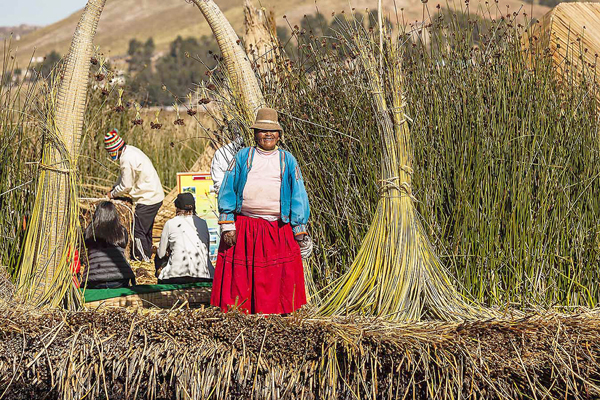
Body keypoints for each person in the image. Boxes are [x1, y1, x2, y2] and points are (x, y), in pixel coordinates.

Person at [211, 107, 313, 315]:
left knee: (278, 275)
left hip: (278, 227)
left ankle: (278, 314)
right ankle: (241, 315)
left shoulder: (287, 160)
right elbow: (228, 188)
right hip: (245, 226)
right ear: (255, 133)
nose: (268, 134)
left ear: (279, 135)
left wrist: (300, 230)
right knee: (242, 276)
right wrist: (227, 223)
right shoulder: (243, 156)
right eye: (262, 130)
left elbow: (298, 195)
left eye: (273, 131)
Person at [105, 129, 164, 261]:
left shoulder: (126, 159)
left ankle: (142, 259)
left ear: (114, 150)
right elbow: (123, 177)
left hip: (148, 198)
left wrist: (112, 194)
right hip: (155, 195)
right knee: (146, 230)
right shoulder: (130, 150)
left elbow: (126, 185)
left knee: (138, 231)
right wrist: (114, 188)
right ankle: (147, 255)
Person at [155, 193, 214, 284]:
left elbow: (161, 254)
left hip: (176, 276)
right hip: (204, 275)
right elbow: (207, 250)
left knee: (159, 257)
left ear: (177, 208)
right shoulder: (203, 223)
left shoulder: (170, 223)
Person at [82, 201, 136, 289]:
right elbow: (124, 246)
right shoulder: (122, 231)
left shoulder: (89, 231)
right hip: (119, 280)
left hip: (94, 280)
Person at [210, 119, 245, 194]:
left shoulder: (221, 152)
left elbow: (218, 185)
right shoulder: (255, 149)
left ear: (229, 133)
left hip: (229, 199)